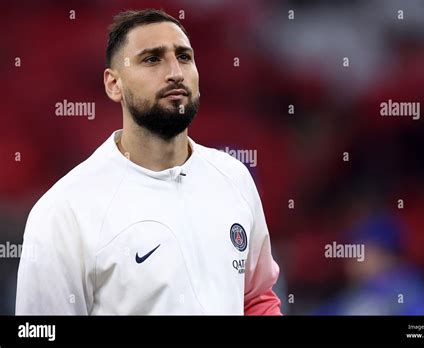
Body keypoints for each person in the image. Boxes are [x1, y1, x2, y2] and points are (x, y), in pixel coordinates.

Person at [16, 9, 281, 315]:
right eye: (152, 59)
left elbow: (256, 299)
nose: (175, 72)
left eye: (183, 57)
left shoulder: (234, 178)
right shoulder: (65, 211)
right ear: (114, 84)